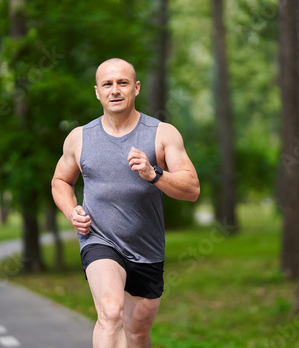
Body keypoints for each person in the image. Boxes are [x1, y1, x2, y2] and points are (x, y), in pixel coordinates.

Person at [51, 58, 200, 348]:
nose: (115, 90)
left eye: (123, 83)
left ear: (136, 88)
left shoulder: (162, 134)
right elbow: (60, 181)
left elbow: (192, 189)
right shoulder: (80, 138)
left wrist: (153, 173)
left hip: (147, 250)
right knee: (110, 313)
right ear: (97, 91)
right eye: (107, 84)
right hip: (99, 239)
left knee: (138, 333)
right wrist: (72, 212)